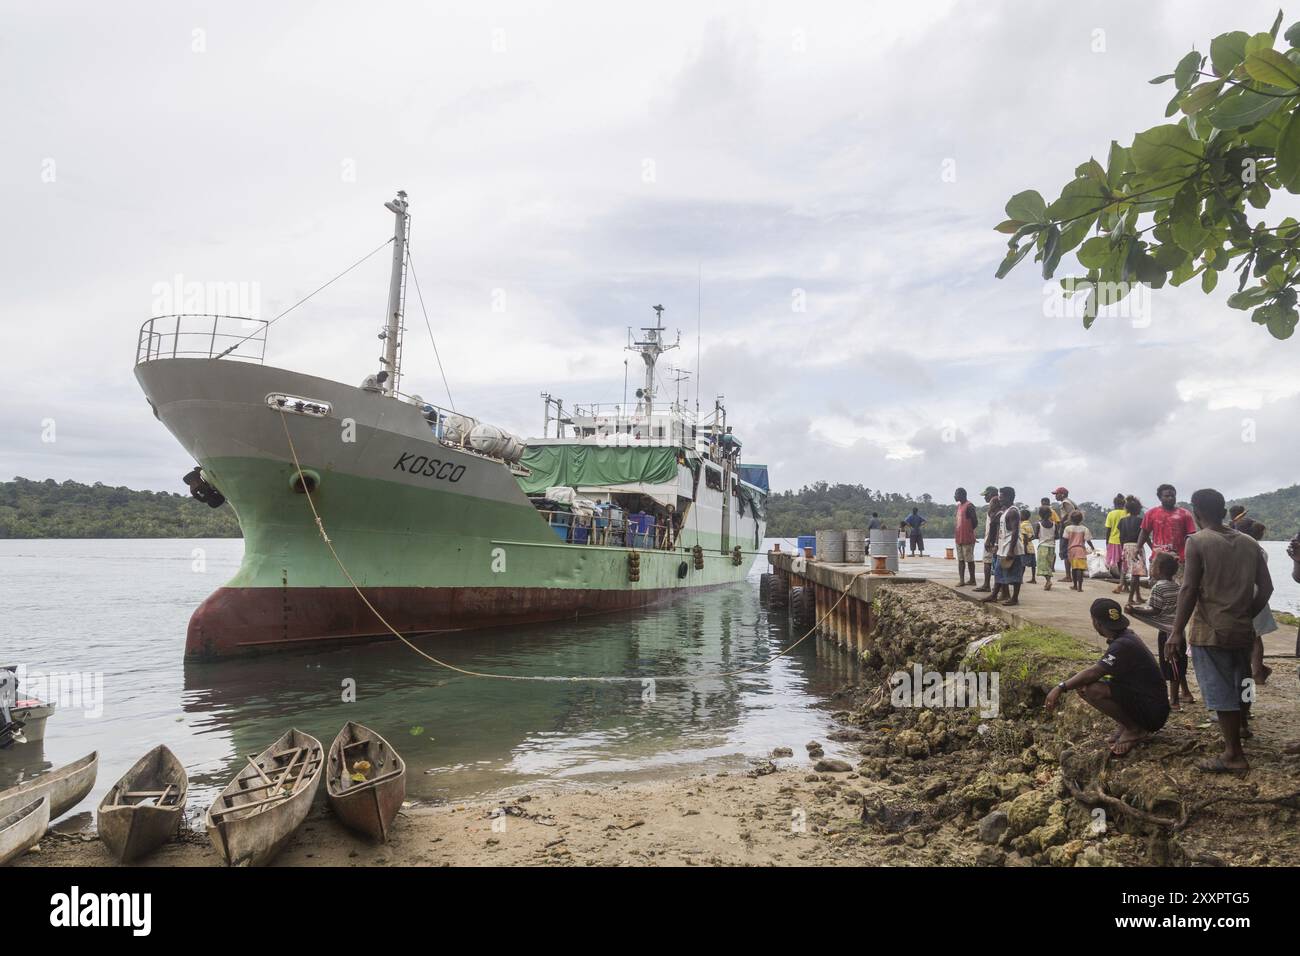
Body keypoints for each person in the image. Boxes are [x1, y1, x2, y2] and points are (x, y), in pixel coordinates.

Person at [1168, 488, 1273, 774]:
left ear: (1196, 512)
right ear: (1224, 509)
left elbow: (1189, 589)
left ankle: (1233, 755)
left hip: (1210, 629)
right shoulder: (1250, 543)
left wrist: (1176, 630)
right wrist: (1247, 612)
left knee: (1220, 689)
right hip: (1242, 628)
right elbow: (1267, 588)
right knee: (1242, 681)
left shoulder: (1197, 542)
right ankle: (1243, 727)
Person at [1044, 598, 1170, 756]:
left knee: (1091, 689)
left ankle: (1134, 729)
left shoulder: (1122, 645)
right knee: (1089, 684)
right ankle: (1127, 725)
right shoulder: (1126, 636)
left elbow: (1094, 672)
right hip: (1151, 704)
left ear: (1096, 623)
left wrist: (1061, 687)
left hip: (1153, 712)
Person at [1127, 552, 1192, 710]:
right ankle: (1186, 693)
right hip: (1178, 631)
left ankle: (1174, 701)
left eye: (1153, 565)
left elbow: (1154, 611)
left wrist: (1134, 611)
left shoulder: (1158, 587)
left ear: (1160, 569)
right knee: (1179, 662)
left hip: (1167, 633)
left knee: (1172, 665)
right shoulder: (1176, 585)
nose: (1151, 568)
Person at [1238, 521, 1277, 686]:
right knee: (1256, 637)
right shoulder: (1261, 550)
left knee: (1249, 637)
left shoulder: (1243, 549)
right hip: (1258, 593)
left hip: (1246, 593)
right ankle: (1258, 671)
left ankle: (1256, 673)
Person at [1136, 484, 1198, 580]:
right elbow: (1144, 532)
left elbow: (1192, 536)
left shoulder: (1185, 514)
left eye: (1173, 496)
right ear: (1160, 497)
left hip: (1179, 559)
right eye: (1167, 496)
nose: (1170, 498)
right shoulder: (1151, 513)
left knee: (1179, 587)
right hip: (1158, 558)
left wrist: (1194, 555)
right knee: (1157, 587)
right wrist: (1138, 547)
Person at [985, 486, 1024, 606]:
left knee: (1015, 575)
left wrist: (1011, 550)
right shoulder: (1004, 511)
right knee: (998, 573)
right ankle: (994, 595)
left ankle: (1015, 598)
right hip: (1002, 548)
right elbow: (1000, 530)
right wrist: (996, 544)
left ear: (1009, 497)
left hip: (1012, 549)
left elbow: (1015, 532)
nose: (1000, 499)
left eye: (1002, 497)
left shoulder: (1013, 511)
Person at [1117, 495, 1146, 601]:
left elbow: (1121, 537)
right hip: (1136, 546)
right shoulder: (1140, 521)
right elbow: (1145, 537)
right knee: (1136, 574)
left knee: (1134, 574)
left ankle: (1138, 596)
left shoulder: (1122, 521)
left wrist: (1122, 548)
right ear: (1138, 509)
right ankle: (1130, 598)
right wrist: (1152, 547)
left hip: (1125, 546)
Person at [973, 486, 1000, 593]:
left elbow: (994, 525)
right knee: (994, 563)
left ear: (991, 494)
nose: (984, 497)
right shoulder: (997, 504)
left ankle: (987, 585)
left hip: (991, 539)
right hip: (993, 539)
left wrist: (989, 540)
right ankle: (996, 586)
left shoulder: (995, 505)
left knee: (988, 562)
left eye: (986, 495)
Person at [1062, 509, 1095, 591]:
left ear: (1070, 519)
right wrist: (1093, 548)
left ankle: (1075, 585)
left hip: (1071, 551)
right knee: (1080, 569)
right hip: (1081, 550)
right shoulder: (1084, 529)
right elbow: (1088, 540)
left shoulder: (1068, 528)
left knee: (1074, 568)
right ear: (1081, 519)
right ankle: (1080, 587)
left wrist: (1063, 550)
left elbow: (1065, 540)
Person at [953, 488, 978, 587]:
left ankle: (972, 580)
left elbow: (975, 522)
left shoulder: (969, 506)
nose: (955, 496)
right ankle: (962, 580)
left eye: (956, 494)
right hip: (959, 538)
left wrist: (969, 531)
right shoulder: (959, 506)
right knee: (960, 560)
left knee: (969, 560)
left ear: (962, 495)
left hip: (967, 538)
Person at [1103, 493, 1127, 582]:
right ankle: (1122, 576)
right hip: (1124, 540)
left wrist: (1107, 541)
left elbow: (1108, 530)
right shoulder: (1126, 513)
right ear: (1124, 504)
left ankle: (1119, 575)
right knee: (1123, 560)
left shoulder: (1111, 514)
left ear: (1115, 504)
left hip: (1113, 540)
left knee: (1115, 560)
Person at [1036, 504, 1059, 591]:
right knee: (1049, 566)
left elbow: (1036, 535)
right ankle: (1048, 581)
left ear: (1040, 514)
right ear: (1050, 514)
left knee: (1042, 566)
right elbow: (1057, 536)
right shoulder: (1054, 524)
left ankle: (1048, 581)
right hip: (1052, 547)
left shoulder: (1039, 524)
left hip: (1042, 547)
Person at [1052, 486, 1077, 561]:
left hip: (1067, 528)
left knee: (1065, 551)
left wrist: (1062, 521)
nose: (1055, 496)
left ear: (1062, 494)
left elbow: (1071, 512)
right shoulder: (1070, 501)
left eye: (1057, 494)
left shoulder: (1065, 502)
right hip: (1070, 528)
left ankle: (1068, 572)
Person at [1019, 505, 1037, 584]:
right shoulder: (1030, 524)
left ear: (1023, 516)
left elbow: (1025, 536)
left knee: (1022, 564)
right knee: (1033, 564)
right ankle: (1033, 578)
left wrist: (1025, 547)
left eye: (1020, 515)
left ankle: (1020, 579)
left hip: (1024, 546)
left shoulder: (1022, 525)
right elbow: (1033, 536)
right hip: (1031, 547)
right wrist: (1029, 540)